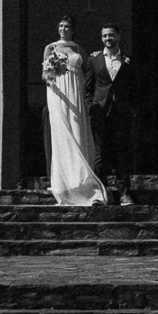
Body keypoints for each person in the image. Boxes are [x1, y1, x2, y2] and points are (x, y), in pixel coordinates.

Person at [42, 14, 106, 207]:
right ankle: (63, 181)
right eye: (61, 26)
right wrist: (52, 73)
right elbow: (45, 75)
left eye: (67, 26)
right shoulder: (50, 48)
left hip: (75, 92)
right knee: (62, 131)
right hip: (59, 92)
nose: (63, 29)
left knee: (77, 129)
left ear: (72, 29)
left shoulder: (79, 49)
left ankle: (80, 177)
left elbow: (87, 74)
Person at [85, 23, 137, 206]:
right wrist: (91, 106)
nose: (108, 39)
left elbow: (134, 87)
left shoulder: (128, 59)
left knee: (122, 154)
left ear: (118, 36)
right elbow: (88, 87)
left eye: (111, 35)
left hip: (121, 114)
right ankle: (99, 194)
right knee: (101, 155)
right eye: (104, 36)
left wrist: (131, 109)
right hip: (100, 113)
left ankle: (124, 194)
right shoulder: (94, 60)